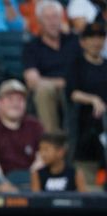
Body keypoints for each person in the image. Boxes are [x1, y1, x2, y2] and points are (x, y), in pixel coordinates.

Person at [23, 0, 80, 133]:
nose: (52, 22)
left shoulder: (74, 41)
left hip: (78, 88)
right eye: (47, 18)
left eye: (55, 17)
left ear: (61, 19)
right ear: (39, 22)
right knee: (43, 90)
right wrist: (62, 83)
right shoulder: (32, 47)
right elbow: (32, 81)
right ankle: (52, 141)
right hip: (52, 90)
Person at [0, 79, 44, 178]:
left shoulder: (34, 125)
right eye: (10, 99)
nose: (16, 103)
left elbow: (43, 154)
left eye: (20, 99)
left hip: (29, 179)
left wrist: (32, 180)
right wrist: (2, 182)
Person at [66, 22, 107, 178]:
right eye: (92, 37)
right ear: (83, 41)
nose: (96, 41)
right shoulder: (76, 64)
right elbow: (72, 93)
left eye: (101, 37)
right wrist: (93, 99)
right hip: (85, 118)